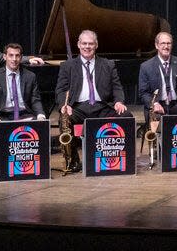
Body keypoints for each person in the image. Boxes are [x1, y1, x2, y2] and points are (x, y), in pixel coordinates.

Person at [55, 29, 132, 173]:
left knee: (126, 116)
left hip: (102, 106)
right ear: (78, 45)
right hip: (79, 107)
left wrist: (119, 101)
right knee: (64, 119)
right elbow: (60, 90)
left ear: (96, 45)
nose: (87, 47)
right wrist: (64, 106)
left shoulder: (108, 65)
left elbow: (117, 87)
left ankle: (120, 158)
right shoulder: (68, 66)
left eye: (90, 44)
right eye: (84, 43)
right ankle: (73, 160)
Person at [137, 31, 177, 137]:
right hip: (158, 105)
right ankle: (159, 148)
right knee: (155, 113)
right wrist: (154, 104)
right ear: (156, 45)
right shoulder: (146, 66)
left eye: (169, 43)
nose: (166, 46)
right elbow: (143, 93)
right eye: (163, 43)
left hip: (176, 104)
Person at [0, 43, 47, 135]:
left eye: (17, 56)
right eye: (11, 55)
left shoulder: (30, 76)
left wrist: (41, 116)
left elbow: (35, 100)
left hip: (25, 115)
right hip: (2, 116)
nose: (14, 59)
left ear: (21, 57)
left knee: (40, 131)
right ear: (5, 57)